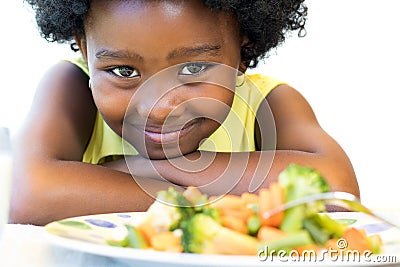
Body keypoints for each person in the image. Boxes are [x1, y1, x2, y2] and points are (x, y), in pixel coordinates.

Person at [10, 0, 359, 226]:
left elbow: (338, 192)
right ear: (86, 49)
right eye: (125, 72)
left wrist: (144, 170)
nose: (158, 108)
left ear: (243, 46)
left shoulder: (269, 101)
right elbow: (28, 198)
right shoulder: (70, 84)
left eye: (193, 69)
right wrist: (232, 194)